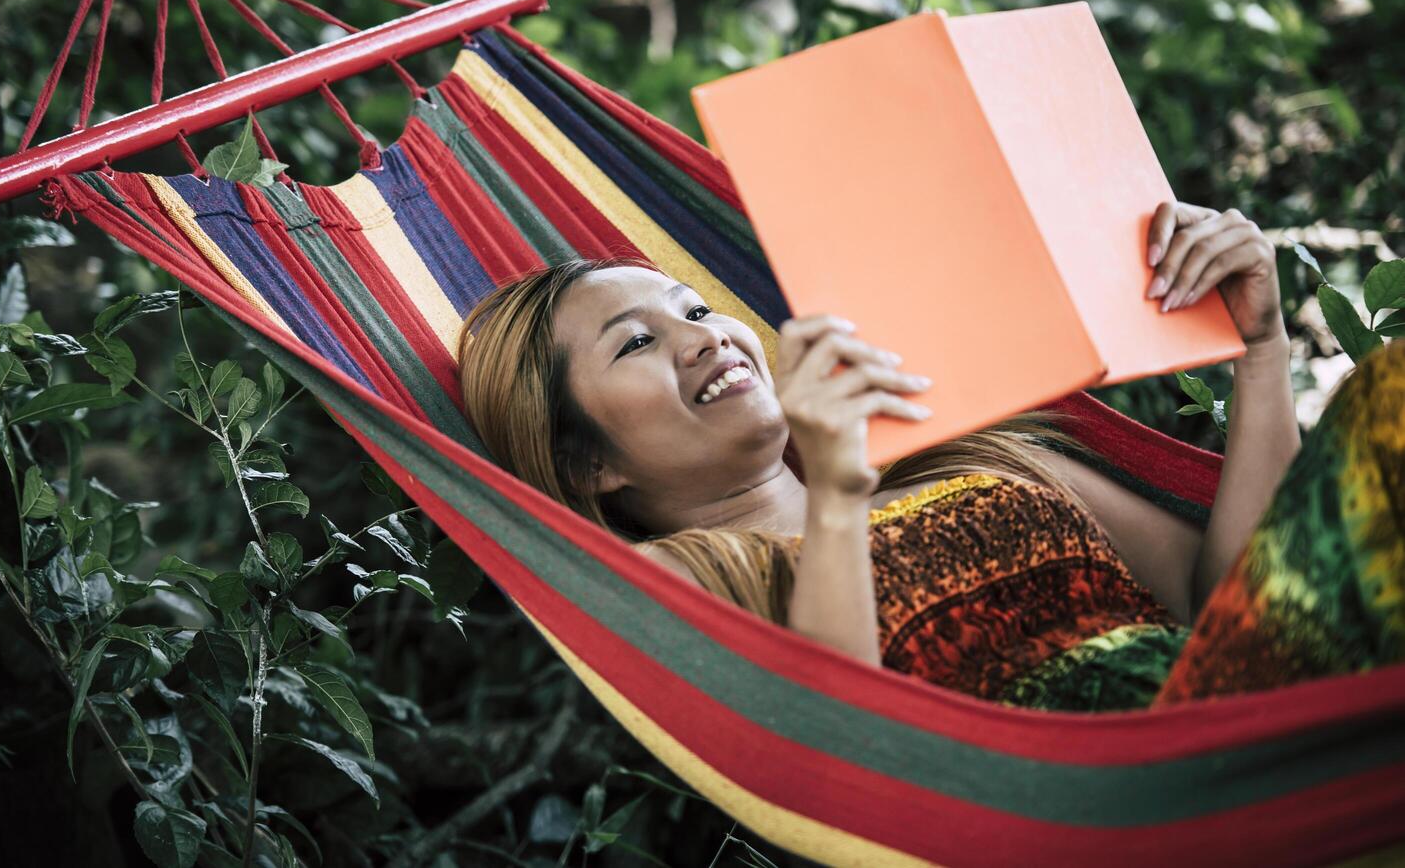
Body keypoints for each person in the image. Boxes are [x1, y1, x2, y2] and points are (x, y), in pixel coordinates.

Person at [456, 201, 1405, 711]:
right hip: (1115, 798)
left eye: (696, 310)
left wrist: (1263, 346)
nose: (704, 338)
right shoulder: (678, 580)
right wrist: (831, 492)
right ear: (587, 466)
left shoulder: (975, 463)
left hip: (1257, 709)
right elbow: (848, 749)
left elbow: (1222, 605)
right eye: (635, 344)